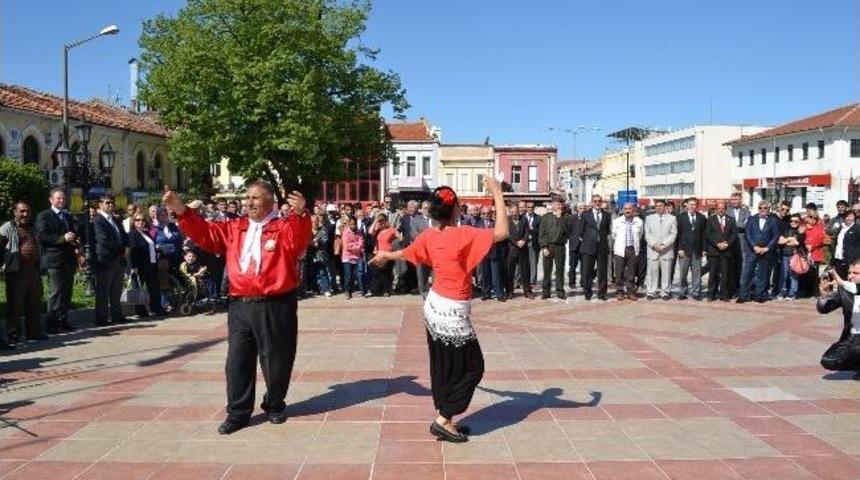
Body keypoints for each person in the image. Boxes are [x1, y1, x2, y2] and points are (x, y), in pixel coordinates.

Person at [164, 181, 311, 435]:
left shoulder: (282, 227)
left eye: (255, 198)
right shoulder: (235, 227)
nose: (249, 202)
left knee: (276, 361)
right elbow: (206, 234)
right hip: (240, 305)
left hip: (275, 304)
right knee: (237, 361)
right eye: (247, 197)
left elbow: (299, 240)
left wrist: (299, 215)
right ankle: (238, 413)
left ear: (270, 203)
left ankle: (274, 403)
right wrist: (182, 211)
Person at [369, 177, 508, 443]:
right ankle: (443, 419)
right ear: (455, 209)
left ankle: (447, 418)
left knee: (444, 365)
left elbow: (407, 252)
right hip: (451, 311)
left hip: (434, 306)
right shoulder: (464, 234)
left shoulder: (430, 236)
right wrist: (497, 194)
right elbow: (501, 232)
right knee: (473, 367)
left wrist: (386, 255)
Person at [0, 201, 46, 346]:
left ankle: (34, 332)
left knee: (34, 302)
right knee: (15, 304)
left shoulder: (33, 227)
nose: (25, 214)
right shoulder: (7, 227)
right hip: (16, 271)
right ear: (15, 212)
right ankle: (13, 335)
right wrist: (3, 264)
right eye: (22, 211)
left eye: (27, 211)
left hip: (33, 270)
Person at [35, 187, 79, 333]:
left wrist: (74, 240)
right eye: (58, 198)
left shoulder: (67, 216)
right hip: (54, 260)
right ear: (51, 200)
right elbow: (42, 237)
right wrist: (62, 239)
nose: (61, 200)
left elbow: (73, 234)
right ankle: (51, 324)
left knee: (67, 292)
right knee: (56, 293)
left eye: (63, 198)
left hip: (68, 260)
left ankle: (63, 321)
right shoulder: (44, 216)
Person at [817, 263, 860, 380]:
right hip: (854, 338)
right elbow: (824, 309)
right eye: (849, 273)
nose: (850, 276)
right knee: (829, 360)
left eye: (856, 273)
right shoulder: (845, 290)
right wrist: (824, 295)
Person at [93, 195, 130, 326]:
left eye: (112, 203)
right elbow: (103, 240)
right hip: (106, 259)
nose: (110, 205)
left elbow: (124, 235)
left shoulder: (115, 219)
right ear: (100, 204)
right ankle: (102, 318)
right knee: (104, 290)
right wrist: (121, 248)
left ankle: (117, 315)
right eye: (107, 203)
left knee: (116, 289)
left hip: (118, 259)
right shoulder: (98, 220)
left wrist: (127, 246)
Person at [738, 201, 780, 303]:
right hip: (752, 250)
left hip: (765, 251)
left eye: (765, 208)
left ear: (769, 209)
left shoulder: (773, 220)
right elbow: (748, 234)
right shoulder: (752, 219)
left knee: (762, 274)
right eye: (760, 208)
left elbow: (775, 236)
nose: (762, 210)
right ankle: (744, 295)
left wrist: (767, 248)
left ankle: (759, 295)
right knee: (747, 273)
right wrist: (754, 246)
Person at [128, 213, 165, 317]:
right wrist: (134, 266)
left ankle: (156, 308)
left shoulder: (147, 233)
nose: (140, 222)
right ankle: (141, 311)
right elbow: (133, 251)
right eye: (137, 220)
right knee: (139, 288)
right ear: (133, 222)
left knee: (154, 287)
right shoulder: (132, 234)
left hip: (151, 264)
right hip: (140, 265)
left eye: (142, 220)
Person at [579, 194, 611, 301]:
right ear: (592, 203)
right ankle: (587, 293)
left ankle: (602, 293)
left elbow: (607, 230)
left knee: (602, 272)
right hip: (588, 246)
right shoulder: (585, 214)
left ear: (601, 202)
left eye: (599, 201)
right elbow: (581, 231)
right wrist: (589, 238)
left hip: (602, 246)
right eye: (595, 201)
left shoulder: (606, 215)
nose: (597, 203)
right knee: (587, 271)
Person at [644, 199, 677, 300]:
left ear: (665, 207)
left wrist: (664, 245)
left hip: (666, 250)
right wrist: (654, 245)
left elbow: (673, 234)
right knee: (652, 272)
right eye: (657, 206)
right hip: (653, 249)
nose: (658, 208)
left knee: (666, 272)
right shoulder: (649, 218)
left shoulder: (672, 218)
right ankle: (651, 292)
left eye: (660, 206)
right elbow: (647, 234)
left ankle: (665, 292)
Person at [705, 202, 737, 301]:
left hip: (726, 251)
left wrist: (727, 244)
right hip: (714, 250)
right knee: (713, 274)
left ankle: (724, 294)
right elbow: (708, 234)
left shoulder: (731, 219)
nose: (721, 210)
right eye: (719, 208)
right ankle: (711, 294)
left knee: (725, 274)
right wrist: (717, 244)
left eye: (723, 208)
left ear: (725, 209)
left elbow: (734, 234)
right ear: (716, 209)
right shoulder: (710, 219)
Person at [611, 202, 644, 300]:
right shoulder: (617, 221)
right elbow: (614, 235)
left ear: (633, 210)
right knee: (619, 272)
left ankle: (630, 291)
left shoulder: (639, 221)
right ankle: (619, 291)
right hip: (621, 249)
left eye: (629, 209)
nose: (627, 211)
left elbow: (640, 234)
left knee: (631, 272)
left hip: (632, 249)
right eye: (625, 209)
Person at [676, 197, 707, 300]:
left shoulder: (701, 218)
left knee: (696, 272)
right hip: (684, 249)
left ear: (697, 206)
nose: (692, 206)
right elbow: (678, 234)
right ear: (687, 205)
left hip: (697, 249)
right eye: (690, 204)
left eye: (694, 204)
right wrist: (679, 248)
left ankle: (696, 292)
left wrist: (704, 249)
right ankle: (682, 291)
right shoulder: (681, 217)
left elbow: (704, 235)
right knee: (683, 272)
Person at [539, 198, 570, 300]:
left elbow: (567, 232)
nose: (559, 206)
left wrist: (560, 218)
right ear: (553, 205)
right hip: (548, 246)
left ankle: (560, 291)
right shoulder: (545, 217)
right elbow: (542, 233)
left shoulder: (566, 217)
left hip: (560, 246)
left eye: (561, 204)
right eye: (557, 204)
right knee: (547, 270)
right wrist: (544, 246)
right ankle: (546, 292)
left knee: (560, 269)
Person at [505, 202, 534, 299]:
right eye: (512, 212)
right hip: (512, 249)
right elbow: (507, 234)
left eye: (516, 211)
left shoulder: (524, 219)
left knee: (525, 271)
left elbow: (527, 232)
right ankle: (509, 292)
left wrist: (524, 240)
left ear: (518, 211)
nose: (514, 213)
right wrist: (516, 242)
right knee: (510, 272)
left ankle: (527, 291)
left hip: (523, 249)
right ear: (510, 212)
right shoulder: (507, 220)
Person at [476, 206, 505, 301]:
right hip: (483, 253)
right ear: (481, 214)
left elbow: (500, 236)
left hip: (494, 252)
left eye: (488, 213)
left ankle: (499, 293)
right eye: (484, 213)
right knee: (485, 274)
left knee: (496, 274)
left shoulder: (496, 223)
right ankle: (486, 293)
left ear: (491, 214)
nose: (486, 215)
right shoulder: (478, 224)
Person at [777, 214, 805, 300]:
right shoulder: (785, 230)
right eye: (791, 221)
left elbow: (797, 243)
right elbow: (780, 242)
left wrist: (787, 241)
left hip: (794, 255)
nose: (793, 222)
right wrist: (790, 239)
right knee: (784, 275)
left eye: (795, 221)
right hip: (785, 254)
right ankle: (783, 291)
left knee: (793, 275)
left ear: (799, 222)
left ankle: (793, 293)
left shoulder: (800, 232)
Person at [727, 193, 751, 297]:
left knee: (742, 267)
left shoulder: (746, 212)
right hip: (729, 242)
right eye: (732, 199)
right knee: (730, 267)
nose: (734, 201)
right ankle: (730, 289)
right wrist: (740, 224)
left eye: (736, 199)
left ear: (740, 200)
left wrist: (733, 223)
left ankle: (740, 290)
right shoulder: (726, 211)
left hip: (742, 243)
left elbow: (747, 225)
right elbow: (725, 226)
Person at [180, 249, 217, 314]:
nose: (191, 258)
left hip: (199, 278)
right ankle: (203, 299)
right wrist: (198, 274)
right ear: (185, 257)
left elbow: (201, 270)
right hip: (189, 280)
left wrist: (203, 270)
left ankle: (212, 298)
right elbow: (186, 274)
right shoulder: (184, 265)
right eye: (189, 256)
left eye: (193, 256)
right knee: (203, 282)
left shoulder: (196, 264)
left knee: (210, 279)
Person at [369, 214, 398, 297]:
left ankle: (387, 290)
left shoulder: (391, 230)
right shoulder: (378, 231)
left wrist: (394, 247)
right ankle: (377, 290)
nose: (381, 223)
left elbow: (400, 238)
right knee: (378, 273)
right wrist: (376, 220)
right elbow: (370, 231)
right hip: (379, 255)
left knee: (387, 273)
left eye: (383, 221)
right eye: (380, 222)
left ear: (386, 221)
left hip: (389, 254)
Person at [411, 201, 433, 298]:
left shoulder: (436, 220)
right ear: (421, 209)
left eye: (429, 208)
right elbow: (414, 235)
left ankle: (436, 293)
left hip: (435, 252)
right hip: (422, 251)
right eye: (425, 208)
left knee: (436, 274)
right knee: (421, 273)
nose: (427, 210)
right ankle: (423, 292)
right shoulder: (416, 220)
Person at [340, 216, 365, 299]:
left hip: (357, 257)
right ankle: (347, 291)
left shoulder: (359, 232)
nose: (353, 226)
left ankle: (357, 290)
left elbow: (361, 243)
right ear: (348, 224)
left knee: (356, 275)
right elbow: (347, 246)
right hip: (347, 257)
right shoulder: (345, 232)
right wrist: (356, 246)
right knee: (348, 275)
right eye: (351, 224)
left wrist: (354, 246)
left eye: (354, 224)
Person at [831, 210, 860, 280]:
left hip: (851, 260)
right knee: (839, 279)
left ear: (854, 218)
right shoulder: (841, 228)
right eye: (847, 216)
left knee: (850, 280)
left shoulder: (857, 228)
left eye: (851, 216)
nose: (849, 218)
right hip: (838, 258)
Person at [803, 210, 826, 297]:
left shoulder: (819, 228)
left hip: (815, 254)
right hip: (805, 253)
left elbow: (820, 239)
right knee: (805, 273)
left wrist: (811, 246)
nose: (812, 219)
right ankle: (806, 291)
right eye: (810, 217)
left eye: (815, 217)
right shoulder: (804, 227)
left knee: (814, 274)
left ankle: (815, 291)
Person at [567, 203, 585, 289]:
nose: (582, 210)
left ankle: (583, 282)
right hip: (574, 245)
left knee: (584, 265)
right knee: (573, 265)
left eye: (584, 208)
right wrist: (573, 238)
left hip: (584, 245)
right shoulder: (572, 218)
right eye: (580, 208)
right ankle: (572, 282)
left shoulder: (588, 218)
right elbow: (568, 230)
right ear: (577, 209)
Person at [524, 202, 541, 286]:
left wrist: (532, 228)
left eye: (532, 207)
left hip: (533, 242)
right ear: (526, 208)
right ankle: (523, 280)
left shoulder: (538, 218)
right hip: (523, 242)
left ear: (534, 208)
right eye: (528, 207)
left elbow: (541, 231)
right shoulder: (522, 217)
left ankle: (532, 281)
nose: (530, 208)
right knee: (523, 263)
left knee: (533, 262)